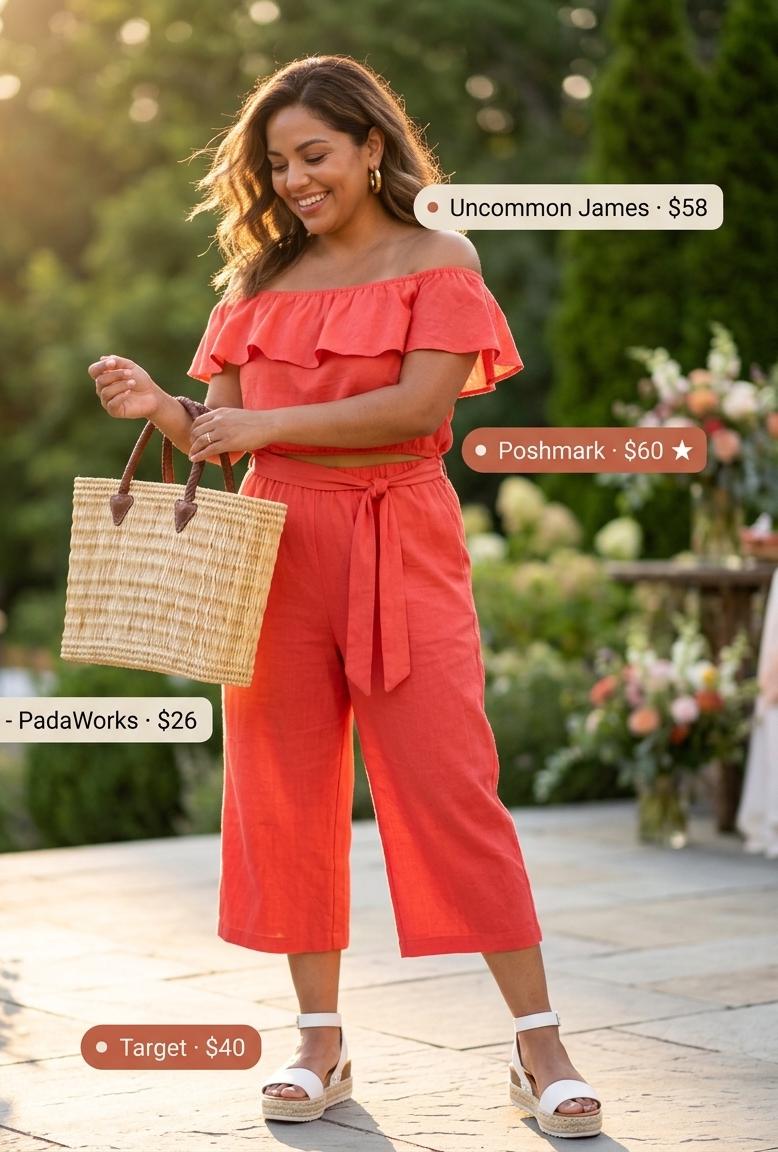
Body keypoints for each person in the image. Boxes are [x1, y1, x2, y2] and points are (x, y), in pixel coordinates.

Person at [90, 55, 602, 1139]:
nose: (293, 180)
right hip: (274, 547)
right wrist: (162, 407)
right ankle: (317, 1041)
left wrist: (263, 428)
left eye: (313, 154)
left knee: (451, 785)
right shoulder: (253, 286)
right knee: (282, 788)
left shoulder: (439, 258)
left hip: (398, 539)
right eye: (275, 164)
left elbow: (420, 410)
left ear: (373, 145)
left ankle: (538, 1042)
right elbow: (225, 439)